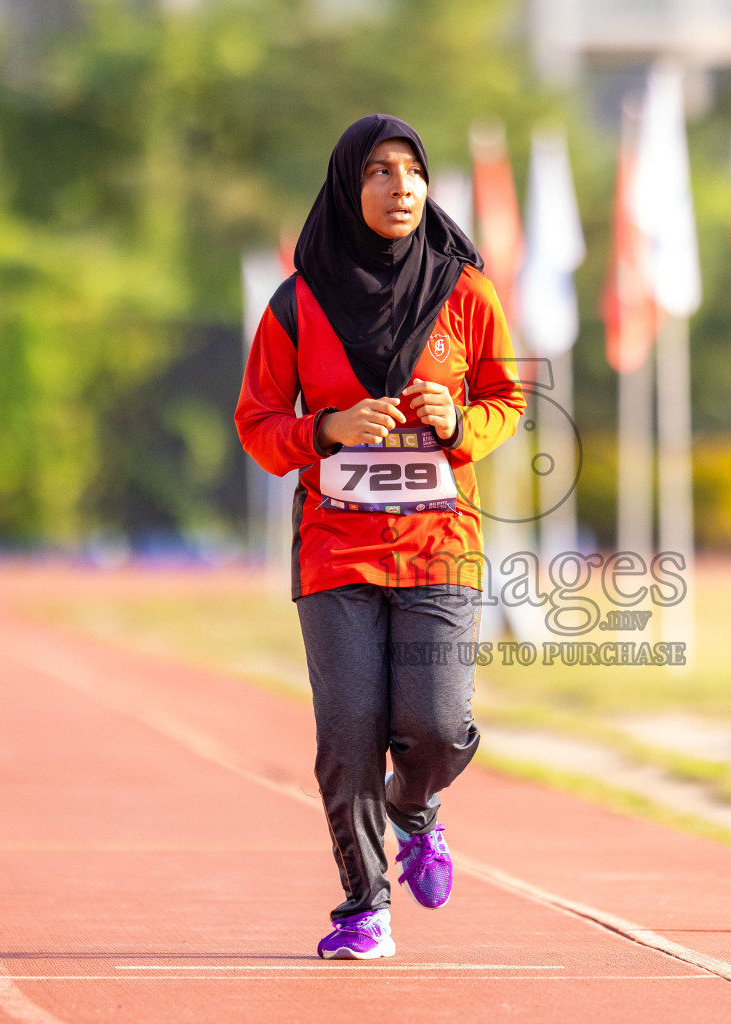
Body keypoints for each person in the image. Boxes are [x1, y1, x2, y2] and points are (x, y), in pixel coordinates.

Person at [235, 114, 525, 960]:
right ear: (346, 188)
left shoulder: (465, 291)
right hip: (336, 553)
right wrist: (326, 428)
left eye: (412, 171)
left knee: (435, 728)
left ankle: (415, 809)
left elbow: (508, 403)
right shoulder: (298, 303)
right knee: (349, 734)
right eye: (379, 172)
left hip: (440, 548)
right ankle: (365, 905)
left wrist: (458, 418)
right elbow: (258, 426)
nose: (400, 187)